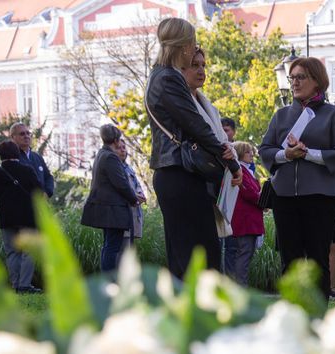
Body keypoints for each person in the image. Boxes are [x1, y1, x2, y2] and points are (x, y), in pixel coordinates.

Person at [146, 18, 240, 278]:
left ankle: (188, 313)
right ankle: (198, 313)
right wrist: (231, 163)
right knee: (199, 254)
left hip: (175, 172)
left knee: (186, 253)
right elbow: (197, 125)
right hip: (180, 173)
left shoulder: (160, 76)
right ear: (184, 45)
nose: (194, 47)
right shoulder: (168, 78)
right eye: (192, 42)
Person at [259, 56, 335, 295]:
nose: (295, 83)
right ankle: (292, 318)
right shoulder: (280, 116)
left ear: (317, 81)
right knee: (290, 261)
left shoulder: (333, 115)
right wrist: (287, 155)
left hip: (321, 197)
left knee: (318, 260)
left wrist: (308, 153)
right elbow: (265, 150)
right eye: (293, 78)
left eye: (301, 77)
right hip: (285, 197)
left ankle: (317, 319)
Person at [81, 124, 139, 273]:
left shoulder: (101, 154)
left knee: (108, 245)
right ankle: (109, 280)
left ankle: (106, 280)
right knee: (113, 247)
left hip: (105, 207)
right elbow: (121, 184)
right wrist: (134, 199)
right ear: (115, 139)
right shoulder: (111, 157)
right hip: (113, 209)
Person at [0, 140, 42, 293]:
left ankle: (15, 284)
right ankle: (24, 285)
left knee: (12, 251)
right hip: (27, 216)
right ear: (16, 153)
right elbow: (38, 191)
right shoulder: (27, 170)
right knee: (28, 252)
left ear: (0, 155)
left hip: (6, 217)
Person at [226, 141, 263, 286]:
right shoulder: (239, 170)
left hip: (250, 220)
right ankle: (241, 288)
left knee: (245, 255)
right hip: (246, 221)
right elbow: (250, 193)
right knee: (244, 255)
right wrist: (264, 199)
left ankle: (241, 287)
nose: (251, 154)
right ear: (240, 153)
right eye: (248, 152)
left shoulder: (247, 170)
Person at [112, 137, 146, 247]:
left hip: (133, 214)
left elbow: (137, 186)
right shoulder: (114, 168)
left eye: (124, 147)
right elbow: (119, 189)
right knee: (121, 252)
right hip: (122, 216)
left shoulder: (129, 168)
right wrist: (134, 196)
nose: (123, 150)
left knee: (129, 249)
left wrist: (141, 195)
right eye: (118, 148)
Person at [9, 122, 54, 198]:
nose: (26, 136)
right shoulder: (11, 158)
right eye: (22, 134)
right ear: (13, 137)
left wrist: (47, 193)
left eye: (28, 133)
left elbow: (48, 177)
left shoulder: (37, 157)